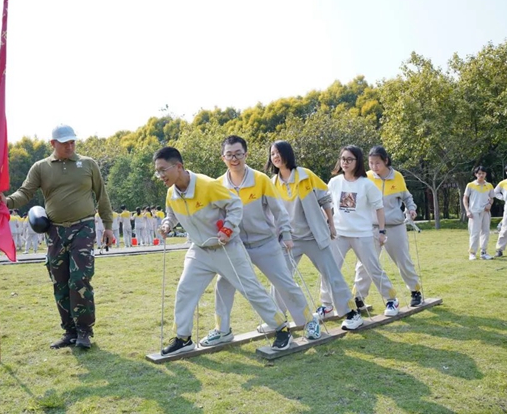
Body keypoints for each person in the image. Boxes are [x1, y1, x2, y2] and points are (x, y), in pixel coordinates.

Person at [154, 146, 292, 356]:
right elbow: (171, 214)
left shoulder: (207, 185)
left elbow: (235, 204)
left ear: (179, 166)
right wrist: (166, 225)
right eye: (158, 171)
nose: (161, 175)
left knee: (251, 289)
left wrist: (228, 229)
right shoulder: (171, 193)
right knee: (184, 290)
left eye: (163, 170)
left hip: (226, 248)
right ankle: (183, 338)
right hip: (199, 250)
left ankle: (281, 329)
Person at [0, 124, 114, 350]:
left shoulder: (88, 164)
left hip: (83, 228)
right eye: (65, 142)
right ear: (52, 144)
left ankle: (85, 332)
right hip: (55, 231)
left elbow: (102, 196)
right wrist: (5, 201)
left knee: (80, 280)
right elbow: (25, 192)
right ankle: (69, 332)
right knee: (60, 282)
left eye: (72, 142)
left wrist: (107, 226)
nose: (70, 146)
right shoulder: (41, 168)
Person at [199, 135, 319, 347]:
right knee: (223, 286)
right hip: (235, 246)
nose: (234, 159)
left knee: (285, 283)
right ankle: (222, 329)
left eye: (238, 154)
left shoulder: (261, 179)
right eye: (229, 155)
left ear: (246, 154)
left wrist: (287, 235)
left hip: (265, 243)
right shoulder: (217, 185)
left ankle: (309, 322)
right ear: (223, 158)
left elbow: (279, 211)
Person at [266, 140, 363, 330]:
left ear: (287, 154)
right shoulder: (272, 184)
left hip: (313, 237)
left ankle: (352, 313)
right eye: (272, 154)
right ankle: (277, 318)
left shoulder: (305, 175)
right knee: (280, 277)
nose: (275, 157)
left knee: (331, 275)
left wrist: (331, 224)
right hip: (288, 240)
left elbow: (324, 198)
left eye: (278, 153)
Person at [322, 145, 400, 317]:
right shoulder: (334, 182)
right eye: (343, 159)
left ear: (357, 162)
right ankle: (326, 306)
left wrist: (381, 232)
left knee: (373, 269)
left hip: (362, 234)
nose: (345, 163)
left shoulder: (366, 184)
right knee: (330, 269)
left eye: (350, 159)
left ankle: (391, 300)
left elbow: (379, 209)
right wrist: (328, 223)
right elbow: (326, 204)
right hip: (339, 234)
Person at [354, 146, 423, 307]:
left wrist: (411, 208)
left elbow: (407, 197)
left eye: (377, 163)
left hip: (394, 226)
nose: (374, 167)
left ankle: (415, 291)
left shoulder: (397, 177)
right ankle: (358, 298)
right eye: (370, 163)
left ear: (385, 161)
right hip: (371, 227)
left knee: (403, 260)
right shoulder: (366, 178)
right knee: (364, 263)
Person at [464, 166, 495, 260]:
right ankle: (472, 253)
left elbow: (492, 198)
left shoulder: (489, 185)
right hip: (474, 211)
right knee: (475, 232)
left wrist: (489, 204)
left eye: (483, 173)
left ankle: (484, 252)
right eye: (479, 173)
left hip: (485, 211)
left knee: (485, 231)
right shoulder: (470, 185)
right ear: (476, 174)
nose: (481, 175)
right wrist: (467, 211)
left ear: (486, 174)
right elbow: (465, 198)